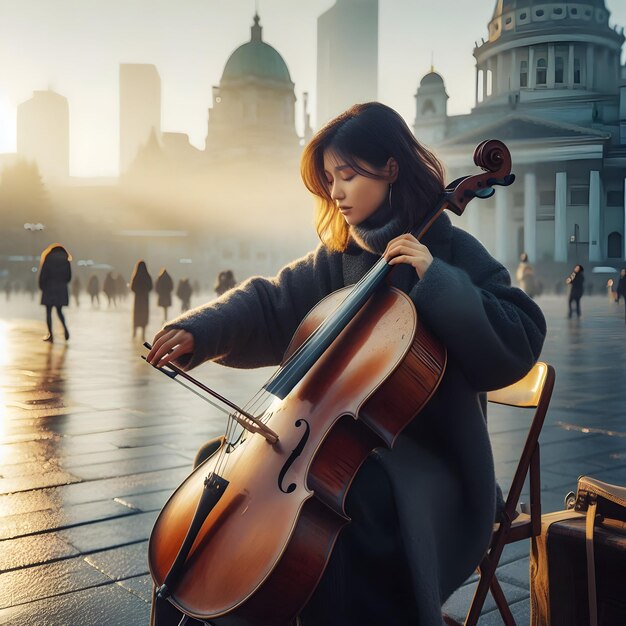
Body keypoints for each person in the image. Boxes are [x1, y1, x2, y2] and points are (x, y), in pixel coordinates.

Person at [147, 102, 546, 626]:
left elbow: (522, 332)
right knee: (218, 471)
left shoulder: (448, 246)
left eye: (349, 175)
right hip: (348, 446)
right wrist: (199, 329)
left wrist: (437, 280)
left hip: (433, 467)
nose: (335, 191)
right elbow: (270, 302)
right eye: (330, 178)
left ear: (391, 169)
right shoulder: (339, 255)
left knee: (341, 504)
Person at [38, 243, 72, 342]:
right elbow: (68, 277)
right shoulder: (66, 261)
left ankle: (50, 334)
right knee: (59, 311)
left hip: (49, 288)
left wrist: (42, 285)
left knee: (48, 312)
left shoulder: (48, 258)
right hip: (61, 289)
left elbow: (43, 274)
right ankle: (65, 329)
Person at [130, 260, 153, 341]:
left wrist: (138, 291)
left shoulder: (136, 276)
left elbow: (132, 287)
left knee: (137, 315)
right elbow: (151, 287)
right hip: (145, 299)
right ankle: (143, 334)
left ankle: (134, 333)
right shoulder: (147, 276)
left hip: (138, 299)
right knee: (144, 315)